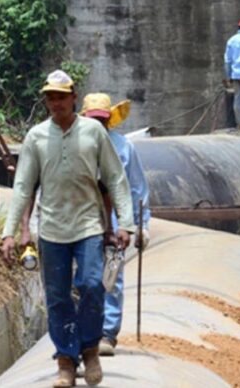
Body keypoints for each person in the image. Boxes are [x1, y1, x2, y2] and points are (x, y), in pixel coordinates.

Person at [0, 70, 135, 388]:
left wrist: (126, 223)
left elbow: (115, 177)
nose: (55, 103)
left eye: (61, 96)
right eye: (50, 97)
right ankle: (65, 361)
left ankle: (89, 349)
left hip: (88, 225)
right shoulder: (36, 137)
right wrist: (10, 232)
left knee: (91, 285)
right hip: (52, 230)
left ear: (74, 97)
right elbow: (23, 186)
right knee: (58, 297)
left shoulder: (93, 132)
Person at [79, 93, 151, 357]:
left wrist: (139, 225)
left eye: (102, 120)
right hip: (81, 223)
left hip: (114, 224)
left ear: (109, 119)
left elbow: (136, 189)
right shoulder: (74, 145)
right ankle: (87, 332)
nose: (98, 125)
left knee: (111, 277)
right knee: (85, 280)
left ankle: (108, 333)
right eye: (92, 120)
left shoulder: (123, 148)